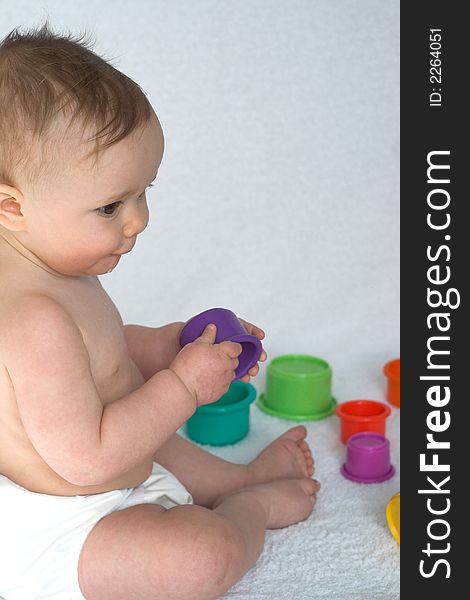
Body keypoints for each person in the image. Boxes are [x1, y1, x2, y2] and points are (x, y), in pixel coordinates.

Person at [0, 21, 320, 600]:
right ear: (11, 206)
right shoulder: (29, 318)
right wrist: (182, 388)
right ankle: (248, 508)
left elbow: (102, 353)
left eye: (143, 192)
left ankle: (234, 478)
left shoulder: (54, 268)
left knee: (140, 413)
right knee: (198, 559)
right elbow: (89, 459)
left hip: (117, 468)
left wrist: (170, 347)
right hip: (68, 520)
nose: (138, 220)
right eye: (110, 206)